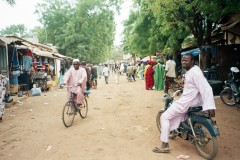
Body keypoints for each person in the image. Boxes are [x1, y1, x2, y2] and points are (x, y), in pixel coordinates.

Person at [152, 53, 216, 153]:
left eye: (186, 60)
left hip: (188, 102)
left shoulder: (195, 73)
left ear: (192, 61)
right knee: (178, 109)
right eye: (182, 60)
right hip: (194, 101)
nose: (183, 62)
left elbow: (206, 88)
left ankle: (164, 145)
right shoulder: (193, 70)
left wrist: (210, 107)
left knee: (164, 117)